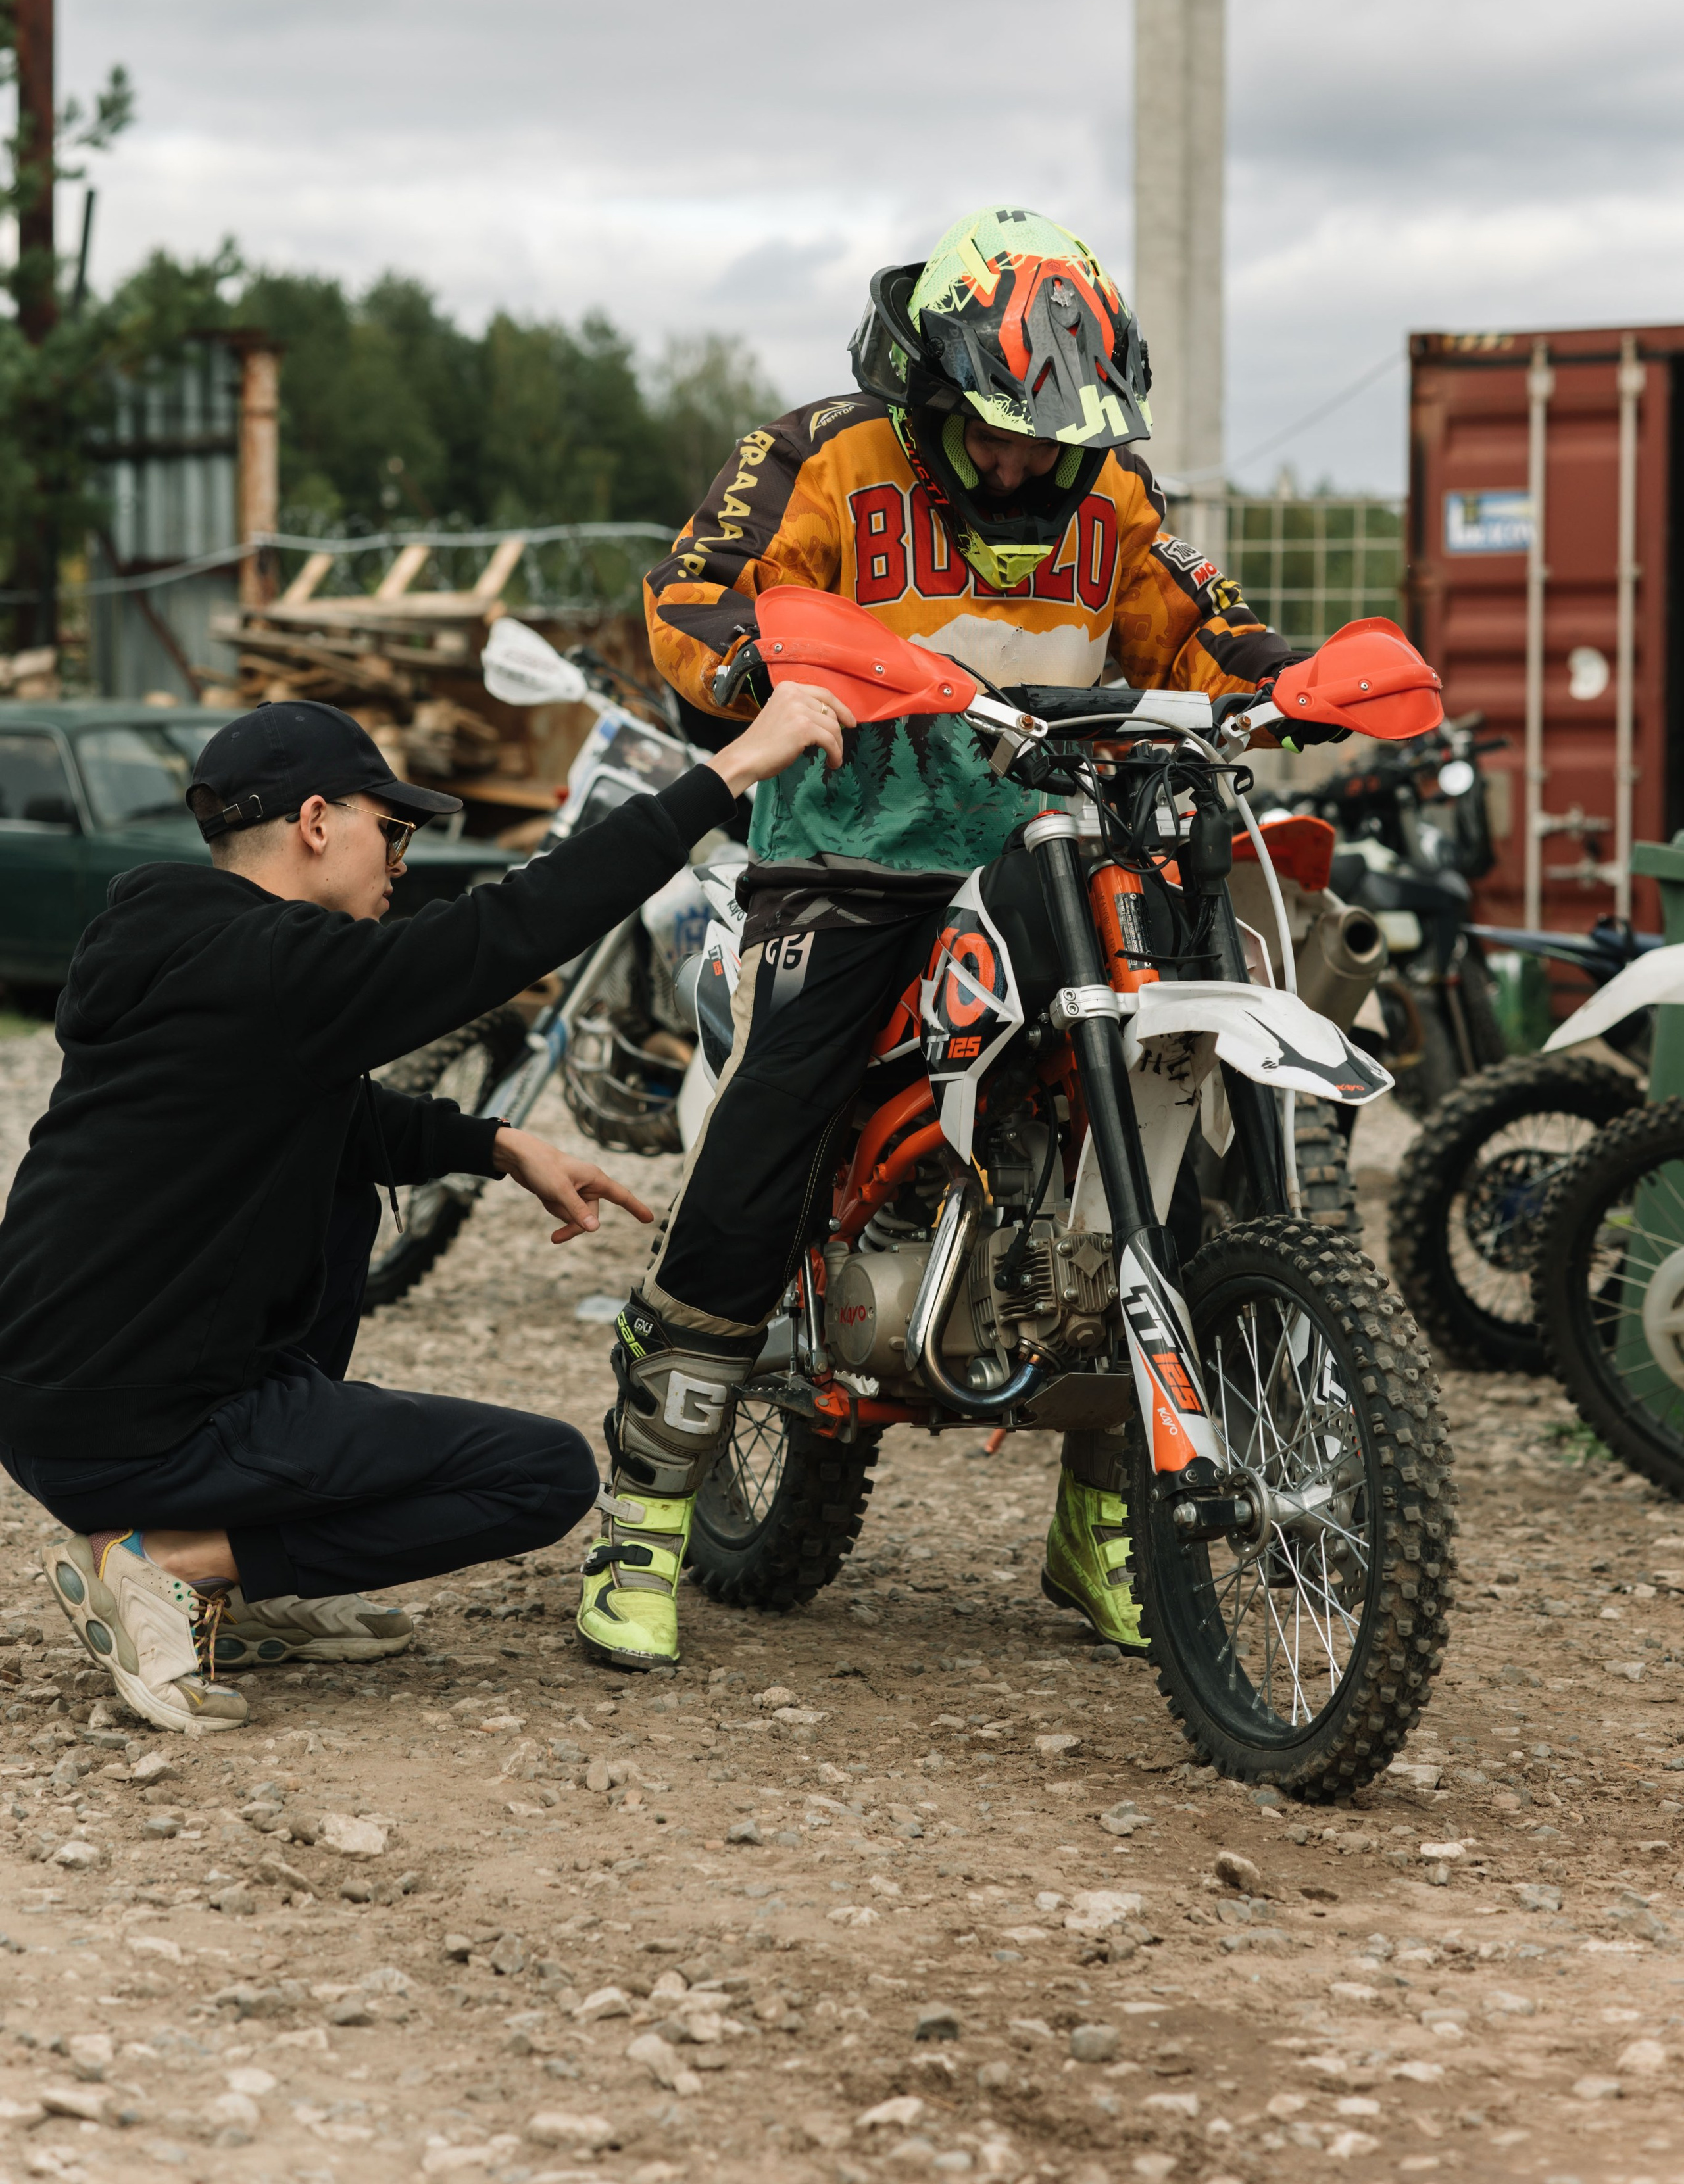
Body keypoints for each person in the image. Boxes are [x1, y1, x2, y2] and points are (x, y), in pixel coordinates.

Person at [577, 205, 1327, 1674]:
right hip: (850, 853)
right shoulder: (817, 451)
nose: (1021, 464)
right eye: (992, 433)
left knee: (1170, 1125)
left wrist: (1295, 677)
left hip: (1051, 844)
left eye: (1047, 441)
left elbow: (1197, 622)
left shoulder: (1106, 488)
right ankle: (642, 1516)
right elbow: (694, 587)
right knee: (775, 1120)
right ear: (922, 383)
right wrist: (748, 657)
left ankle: (1111, 1516)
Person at [0, 679, 848, 1732]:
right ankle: (181, 1565)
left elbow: (326, 1114)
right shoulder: (281, 964)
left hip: (47, 1413)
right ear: (316, 823)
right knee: (537, 1476)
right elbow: (509, 930)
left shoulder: (176, 945)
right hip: (146, 1427)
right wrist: (725, 773)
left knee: (339, 1168)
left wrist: (492, 1143)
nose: (400, 865)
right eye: (390, 831)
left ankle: (229, 1581)